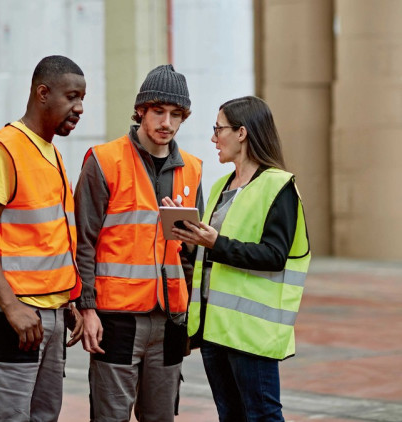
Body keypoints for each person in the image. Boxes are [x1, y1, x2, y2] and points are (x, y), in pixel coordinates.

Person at [74, 64, 203, 421]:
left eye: (176, 115)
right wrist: (86, 308)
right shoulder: (104, 161)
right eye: (159, 111)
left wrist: (189, 317)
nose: (167, 123)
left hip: (170, 320)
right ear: (141, 110)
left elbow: (190, 253)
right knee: (110, 416)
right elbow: (83, 242)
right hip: (115, 317)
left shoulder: (191, 169)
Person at [0, 55, 86, 422]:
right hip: (11, 314)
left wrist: (68, 299)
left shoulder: (51, 153)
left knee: (43, 416)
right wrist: (12, 306)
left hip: (49, 310)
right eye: (72, 96)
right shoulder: (5, 150)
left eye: (83, 99)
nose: (79, 108)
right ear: (42, 93)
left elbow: (48, 239)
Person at [172, 95, 311, 421]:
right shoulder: (222, 185)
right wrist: (189, 238)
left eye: (218, 129)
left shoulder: (279, 186)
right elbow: (214, 252)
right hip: (214, 329)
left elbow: (275, 256)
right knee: (230, 415)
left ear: (242, 133)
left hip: (251, 332)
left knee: (262, 415)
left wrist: (217, 243)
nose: (213, 138)